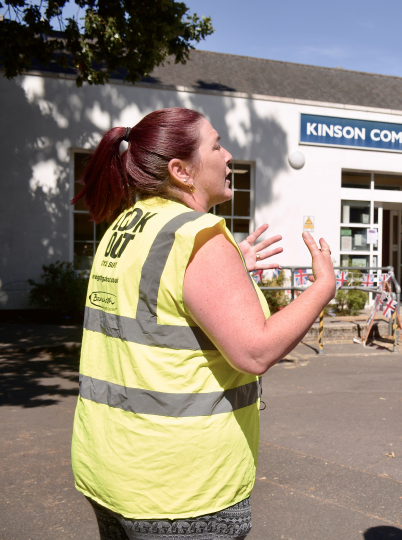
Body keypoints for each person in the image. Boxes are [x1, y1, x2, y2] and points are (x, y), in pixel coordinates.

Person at [70, 107, 335, 539]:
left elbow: (162, 310)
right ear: (180, 171)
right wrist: (322, 286)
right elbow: (256, 350)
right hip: (181, 487)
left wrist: (231, 270)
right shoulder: (198, 235)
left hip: (112, 466)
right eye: (216, 145)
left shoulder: (127, 226)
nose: (228, 155)